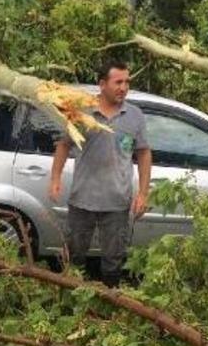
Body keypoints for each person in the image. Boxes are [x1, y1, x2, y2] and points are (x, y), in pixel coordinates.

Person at [48, 61, 152, 287]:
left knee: (113, 262)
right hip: (82, 200)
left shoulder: (134, 116)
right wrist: (55, 178)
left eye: (127, 82)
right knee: (74, 258)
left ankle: (109, 309)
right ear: (102, 84)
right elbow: (64, 145)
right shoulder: (82, 111)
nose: (124, 87)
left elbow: (143, 153)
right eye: (118, 82)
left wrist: (143, 193)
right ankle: (69, 305)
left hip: (117, 203)